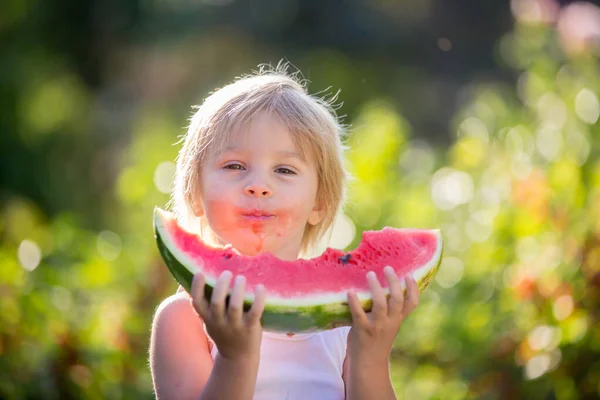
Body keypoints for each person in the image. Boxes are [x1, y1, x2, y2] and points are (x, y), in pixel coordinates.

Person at [149, 63, 420, 400]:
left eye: (285, 169)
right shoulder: (184, 320)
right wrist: (235, 358)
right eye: (234, 165)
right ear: (195, 192)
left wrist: (371, 356)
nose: (259, 186)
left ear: (319, 202)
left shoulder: (341, 322)